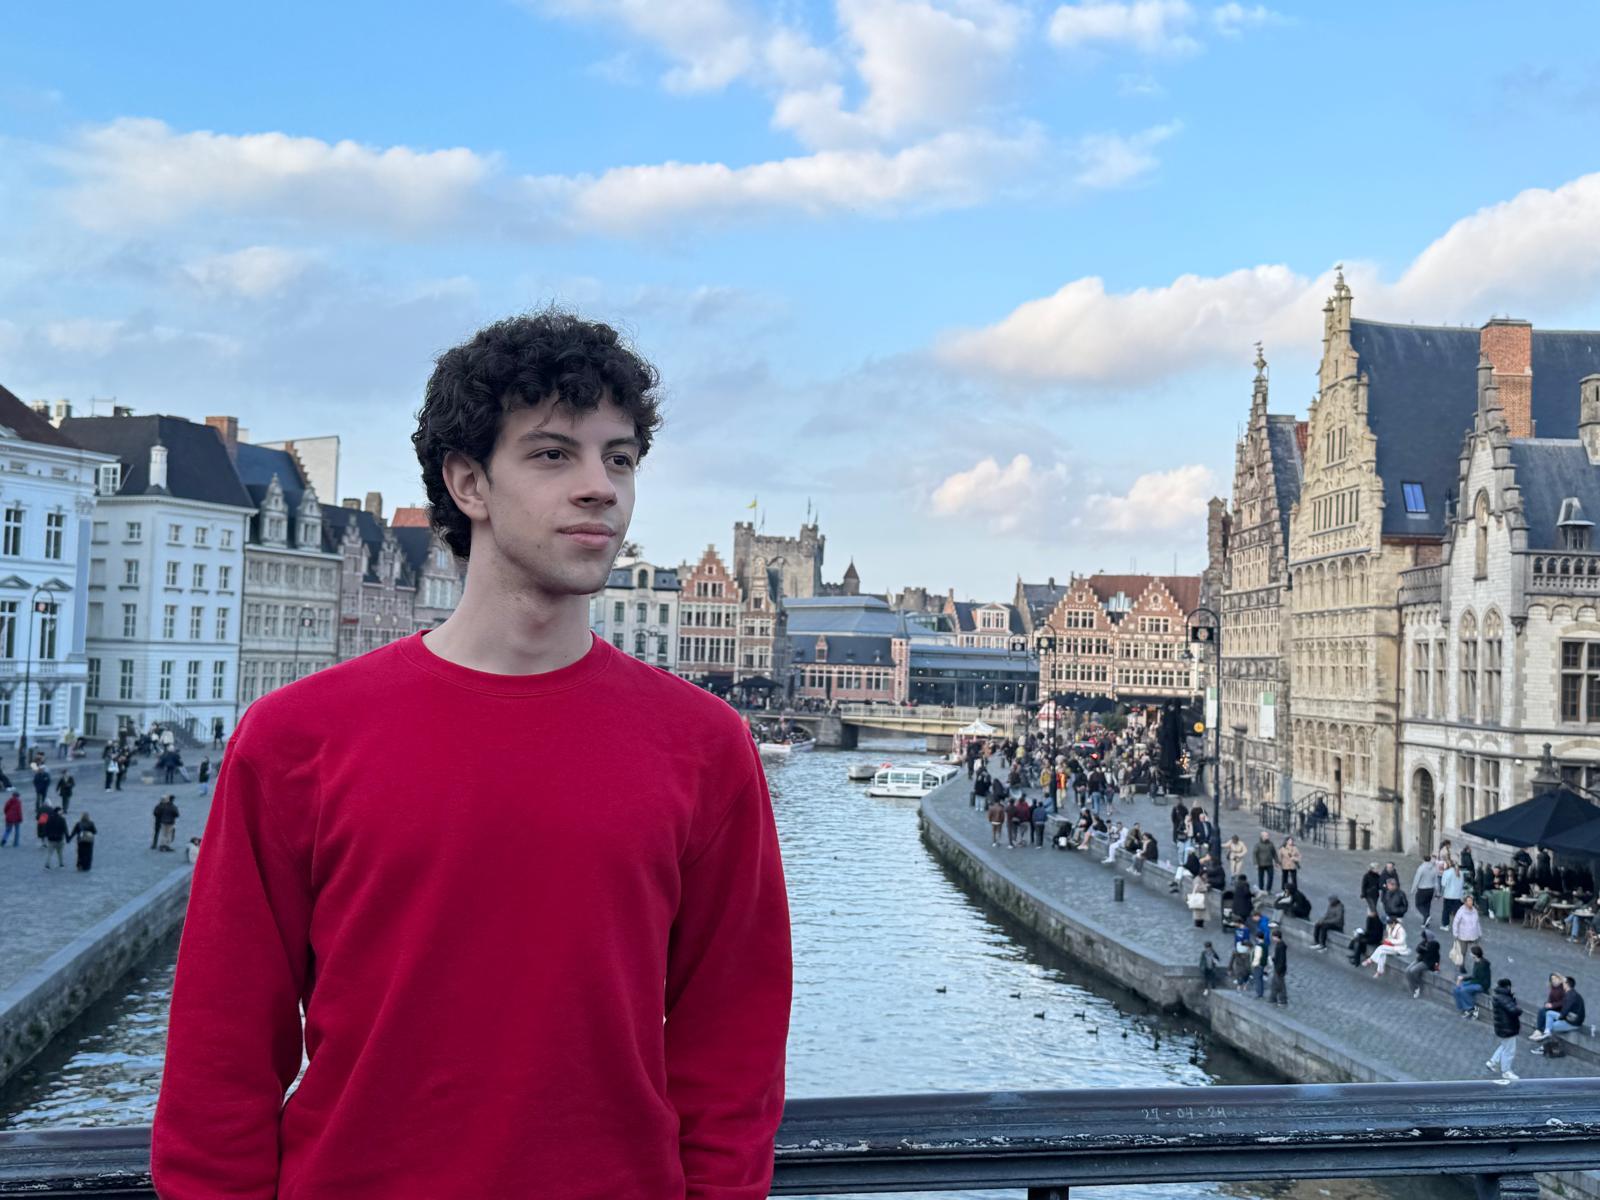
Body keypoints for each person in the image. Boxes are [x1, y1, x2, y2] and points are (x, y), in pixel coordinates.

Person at [152, 311, 793, 1200]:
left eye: (619, 458)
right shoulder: (295, 739)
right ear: (468, 483)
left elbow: (732, 1042)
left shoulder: (706, 746)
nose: (600, 487)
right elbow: (220, 1050)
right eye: (553, 454)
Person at [1531, 977, 1586, 1044]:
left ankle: (1544, 1037)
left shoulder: (1570, 996)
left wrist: (1557, 1018)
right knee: (1549, 1013)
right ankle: (1546, 1033)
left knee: (1550, 1025)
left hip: (1572, 1023)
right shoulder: (1571, 993)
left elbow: (1564, 1012)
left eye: (1563, 982)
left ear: (1567, 984)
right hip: (1569, 1018)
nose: (1561, 984)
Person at [1488, 978, 1521, 1081]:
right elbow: (1514, 1010)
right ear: (1508, 986)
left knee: (1504, 1046)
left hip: (1502, 1028)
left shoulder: (1498, 996)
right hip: (1508, 1028)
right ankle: (1506, 1071)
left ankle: (1493, 1062)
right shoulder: (1505, 998)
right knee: (1509, 1050)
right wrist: (1519, 1009)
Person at [1454, 945, 1491, 1017]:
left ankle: (1471, 1009)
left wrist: (1463, 979)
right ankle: (1462, 1007)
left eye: (1471, 953)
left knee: (1464, 990)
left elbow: (1476, 977)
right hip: (1476, 982)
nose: (1470, 954)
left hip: (1482, 985)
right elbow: (1474, 977)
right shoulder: (1477, 962)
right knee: (1456, 989)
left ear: (1475, 955)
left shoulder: (1482, 965)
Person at [1405, 927, 1441, 998]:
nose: (1423, 939)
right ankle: (1413, 988)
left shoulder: (1434, 944)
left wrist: (1424, 949)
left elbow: (1431, 954)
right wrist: (1423, 948)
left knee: (1413, 970)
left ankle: (1417, 986)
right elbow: (1417, 949)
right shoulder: (1424, 942)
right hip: (1420, 959)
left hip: (1428, 962)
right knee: (1407, 971)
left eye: (1424, 937)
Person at [1450, 893, 1483, 963]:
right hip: (1463, 936)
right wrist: (1455, 934)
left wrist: (1479, 933)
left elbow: (1477, 923)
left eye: (1471, 900)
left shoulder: (1475, 911)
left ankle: (1477, 965)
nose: (1471, 902)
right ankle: (1462, 965)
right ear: (1465, 902)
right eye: (1469, 901)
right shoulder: (1461, 911)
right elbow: (1455, 923)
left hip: (1474, 935)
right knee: (1462, 952)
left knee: (1476, 952)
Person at [1412, 857, 1438, 926]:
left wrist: (1413, 889)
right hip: (1431, 889)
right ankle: (1426, 922)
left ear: (1423, 860)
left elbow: (1416, 879)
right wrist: (1437, 892)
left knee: (1418, 904)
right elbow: (1436, 881)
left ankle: (1426, 916)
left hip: (1422, 889)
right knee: (1427, 905)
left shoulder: (1421, 868)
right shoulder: (1434, 869)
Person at [1439, 859, 1465, 928]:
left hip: (1448, 895)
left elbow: (1443, 884)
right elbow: (1462, 884)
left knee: (1446, 911)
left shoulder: (1447, 872)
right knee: (1457, 911)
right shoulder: (1461, 873)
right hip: (1457, 895)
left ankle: (1445, 925)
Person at [41, 804, 68, 869]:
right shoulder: (62, 819)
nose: (62, 812)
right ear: (58, 811)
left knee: (49, 853)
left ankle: (47, 864)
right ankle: (61, 864)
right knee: (60, 853)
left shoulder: (49, 819)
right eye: (61, 811)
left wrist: (46, 836)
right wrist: (67, 838)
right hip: (59, 838)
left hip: (51, 839)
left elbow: (46, 828)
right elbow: (65, 829)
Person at [1267, 924, 1288, 1006]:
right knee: (1274, 983)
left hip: (1279, 968)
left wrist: (1274, 961)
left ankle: (1283, 1000)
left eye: (1273, 937)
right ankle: (1273, 998)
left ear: (1276, 937)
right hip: (1278, 967)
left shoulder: (1280, 946)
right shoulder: (1280, 945)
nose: (1272, 938)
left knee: (1280, 985)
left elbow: (1281, 959)